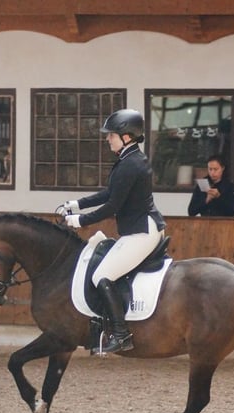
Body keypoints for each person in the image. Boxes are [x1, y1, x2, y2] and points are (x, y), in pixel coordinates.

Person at [61, 109, 166, 354]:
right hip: (137, 229)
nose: (108, 139)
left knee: (101, 276)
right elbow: (110, 193)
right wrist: (77, 204)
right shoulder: (128, 159)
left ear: (127, 137)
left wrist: (80, 220)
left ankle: (121, 334)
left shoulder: (131, 164)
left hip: (142, 232)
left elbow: (112, 206)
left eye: (112, 135)